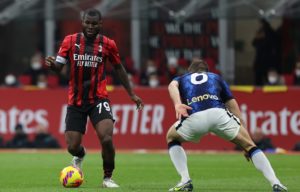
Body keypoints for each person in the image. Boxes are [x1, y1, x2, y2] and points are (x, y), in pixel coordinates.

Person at [45, 8, 144, 188]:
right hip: (76, 101)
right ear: (82, 22)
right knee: (72, 146)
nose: (90, 27)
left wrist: (131, 93)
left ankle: (107, 178)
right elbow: (59, 66)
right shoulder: (70, 40)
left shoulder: (108, 44)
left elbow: (119, 68)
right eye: (87, 23)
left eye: (94, 24)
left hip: (98, 99)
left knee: (106, 138)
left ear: (100, 24)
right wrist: (52, 65)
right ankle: (80, 155)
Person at [166, 59, 287, 192]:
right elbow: (232, 105)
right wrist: (246, 140)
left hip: (195, 116)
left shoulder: (183, 78)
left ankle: (185, 180)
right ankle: (276, 183)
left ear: (190, 71)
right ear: (207, 72)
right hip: (219, 115)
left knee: (171, 137)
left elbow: (172, 86)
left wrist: (177, 104)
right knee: (250, 146)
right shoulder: (216, 77)